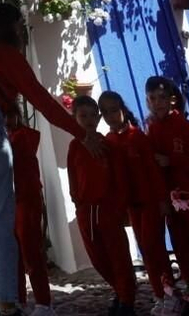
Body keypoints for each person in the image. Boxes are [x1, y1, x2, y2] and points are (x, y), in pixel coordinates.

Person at [0, 2, 102, 316]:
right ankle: (5, 302)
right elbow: (42, 101)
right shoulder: (7, 55)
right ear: (11, 25)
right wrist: (82, 133)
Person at [100, 90, 179, 313]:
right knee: (146, 250)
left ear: (123, 110)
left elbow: (154, 172)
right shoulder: (109, 141)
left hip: (150, 201)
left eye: (114, 110)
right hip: (132, 206)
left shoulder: (138, 137)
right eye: (105, 112)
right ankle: (159, 294)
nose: (111, 116)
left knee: (155, 248)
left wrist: (162, 200)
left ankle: (171, 295)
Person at [144, 75, 189, 295]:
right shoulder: (151, 129)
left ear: (172, 100)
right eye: (152, 98)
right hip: (172, 200)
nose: (158, 103)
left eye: (162, 97)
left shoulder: (184, 126)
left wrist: (172, 160)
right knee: (182, 246)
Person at [67, 96, 137, 316]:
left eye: (92, 115)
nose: (88, 120)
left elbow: (120, 178)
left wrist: (119, 207)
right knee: (98, 257)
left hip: (108, 209)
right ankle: (119, 290)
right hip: (86, 211)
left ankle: (127, 300)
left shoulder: (108, 145)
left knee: (118, 256)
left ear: (98, 119)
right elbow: (72, 176)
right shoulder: (75, 146)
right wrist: (77, 201)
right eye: (83, 116)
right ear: (75, 118)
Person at [4, 101, 54, 316]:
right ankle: (19, 299)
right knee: (12, 253)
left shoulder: (24, 136)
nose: (6, 120)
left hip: (27, 199)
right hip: (9, 201)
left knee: (31, 250)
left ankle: (43, 302)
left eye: (9, 115)